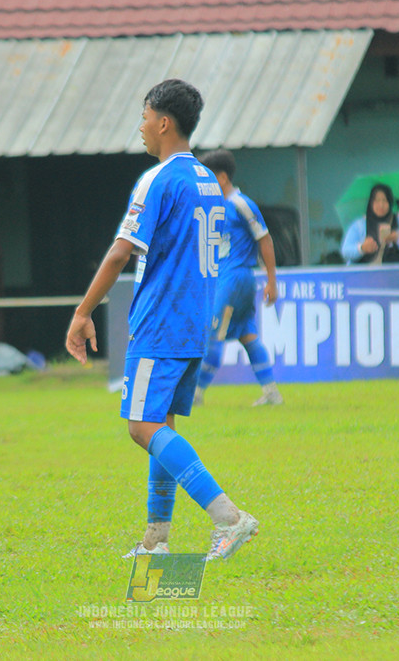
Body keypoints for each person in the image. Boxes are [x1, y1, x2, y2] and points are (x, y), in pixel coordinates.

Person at [65, 79, 258, 561]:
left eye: (145, 116)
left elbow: (119, 253)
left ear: (164, 122)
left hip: (161, 323)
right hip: (193, 324)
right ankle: (157, 540)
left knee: (140, 426)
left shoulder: (159, 178)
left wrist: (82, 312)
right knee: (161, 425)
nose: (142, 127)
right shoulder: (206, 180)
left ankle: (229, 518)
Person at [193, 149, 282, 407]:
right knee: (247, 334)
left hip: (235, 278)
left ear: (221, 178)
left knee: (213, 333)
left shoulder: (241, 203)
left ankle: (195, 394)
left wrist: (272, 280)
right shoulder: (213, 207)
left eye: (207, 178)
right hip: (227, 278)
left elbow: (264, 239)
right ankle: (271, 393)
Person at [340, 183, 399, 264]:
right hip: (367, 276)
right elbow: (346, 251)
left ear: (390, 202)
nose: (381, 205)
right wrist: (362, 248)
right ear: (371, 202)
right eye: (376, 200)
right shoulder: (360, 224)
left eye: (384, 200)